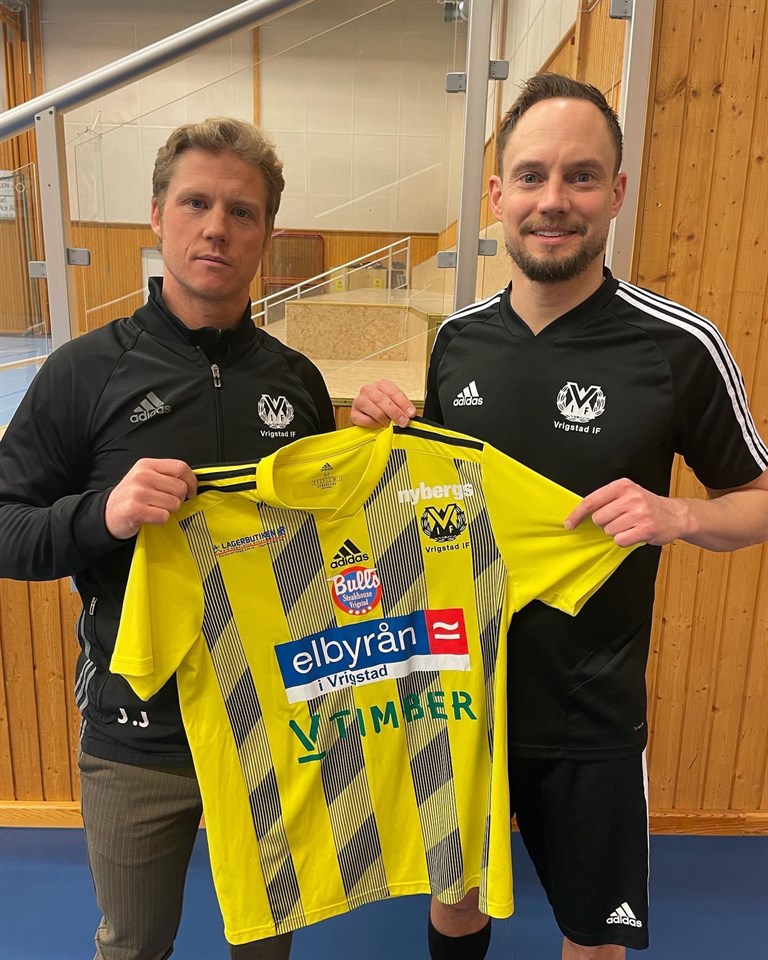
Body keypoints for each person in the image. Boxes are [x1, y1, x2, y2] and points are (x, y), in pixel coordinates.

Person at [350, 73, 768, 960]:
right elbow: (442, 501)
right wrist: (388, 438)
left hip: (590, 715)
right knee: (456, 905)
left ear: (617, 192)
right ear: (497, 195)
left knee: (593, 937)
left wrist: (680, 515)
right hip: (459, 697)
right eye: (532, 176)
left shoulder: (678, 345)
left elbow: (760, 499)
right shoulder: (458, 340)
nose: (553, 201)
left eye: (582, 177)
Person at [0, 117, 335, 960]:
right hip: (135, 733)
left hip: (272, 730)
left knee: (266, 949)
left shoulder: (298, 384)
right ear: (157, 215)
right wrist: (102, 515)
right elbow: (4, 527)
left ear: (267, 234)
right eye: (195, 203)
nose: (216, 227)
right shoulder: (83, 373)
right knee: (134, 946)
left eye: (241, 211)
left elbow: (335, 546)